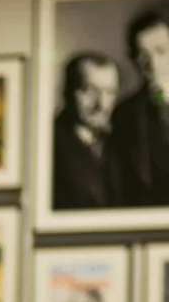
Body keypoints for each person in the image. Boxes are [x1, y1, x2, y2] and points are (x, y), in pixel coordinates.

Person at [108, 7, 169, 209]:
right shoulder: (123, 114)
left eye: (160, 51)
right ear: (132, 57)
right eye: (143, 54)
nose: (152, 63)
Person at [51, 52, 120, 209]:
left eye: (110, 92)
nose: (102, 104)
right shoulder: (49, 144)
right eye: (90, 90)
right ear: (67, 91)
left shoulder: (118, 143)